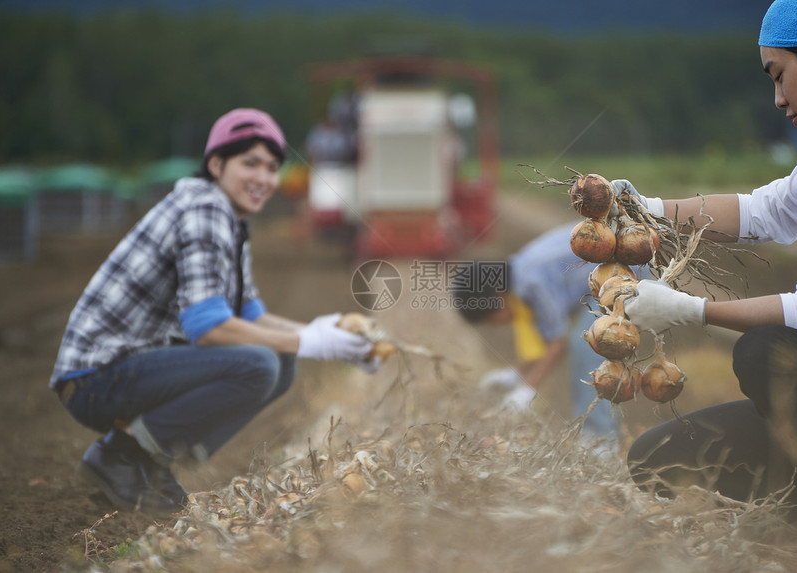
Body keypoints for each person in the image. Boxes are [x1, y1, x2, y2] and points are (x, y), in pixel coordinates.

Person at [618, 0, 797, 562]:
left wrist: (692, 310)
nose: (779, 101)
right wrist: (647, 209)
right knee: (659, 458)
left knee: (767, 351)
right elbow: (760, 213)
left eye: (780, 77)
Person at [50, 108, 379, 514]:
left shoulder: (229, 219)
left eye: (272, 167)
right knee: (258, 364)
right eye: (250, 163)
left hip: (127, 368)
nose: (263, 178)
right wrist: (310, 341)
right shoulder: (204, 209)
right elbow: (207, 327)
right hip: (95, 377)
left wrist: (324, 334)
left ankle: (147, 461)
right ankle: (122, 456)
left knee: (279, 358)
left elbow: (251, 314)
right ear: (216, 164)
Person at [452, 223, 619, 439]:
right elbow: (545, 336)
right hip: (603, 277)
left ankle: (600, 440)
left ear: (497, 298)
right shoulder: (519, 271)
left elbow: (558, 343)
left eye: (493, 320)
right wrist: (515, 374)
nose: (499, 324)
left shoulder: (531, 283)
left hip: (625, 270)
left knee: (587, 344)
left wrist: (526, 390)